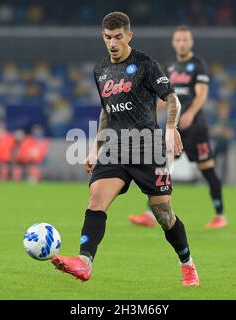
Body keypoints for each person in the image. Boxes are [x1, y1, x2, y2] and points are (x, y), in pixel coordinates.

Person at [50, 12, 199, 286]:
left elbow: (172, 99)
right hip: (115, 148)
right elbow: (106, 111)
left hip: (146, 148)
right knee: (96, 199)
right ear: (103, 37)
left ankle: (187, 262)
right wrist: (96, 148)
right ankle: (84, 261)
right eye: (108, 37)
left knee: (164, 215)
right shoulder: (101, 70)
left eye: (118, 37)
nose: (113, 43)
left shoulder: (145, 64)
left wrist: (169, 129)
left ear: (129, 36)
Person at [128, 25, 227, 229]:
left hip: (196, 128)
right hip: (175, 128)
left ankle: (220, 215)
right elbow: (167, 97)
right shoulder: (171, 67)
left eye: (185, 40)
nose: (182, 43)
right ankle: (149, 213)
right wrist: (147, 111)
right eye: (178, 40)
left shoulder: (198, 65)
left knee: (207, 169)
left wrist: (190, 113)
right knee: (162, 169)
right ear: (174, 43)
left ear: (191, 43)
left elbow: (201, 94)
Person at [211, 102, 234, 182]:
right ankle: (213, 179)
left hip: (225, 145)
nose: (224, 113)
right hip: (216, 145)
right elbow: (212, 131)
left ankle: (224, 180)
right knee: (213, 163)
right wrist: (223, 132)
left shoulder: (229, 122)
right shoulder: (215, 121)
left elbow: (229, 134)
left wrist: (219, 132)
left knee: (224, 164)